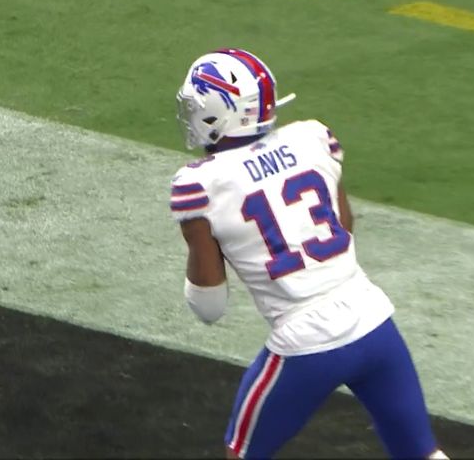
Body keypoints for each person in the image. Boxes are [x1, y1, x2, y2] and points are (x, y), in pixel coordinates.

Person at [170, 48, 448, 460]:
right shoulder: (313, 138)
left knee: (242, 454)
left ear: (220, 112)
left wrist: (209, 239)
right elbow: (344, 225)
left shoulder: (200, 185)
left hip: (305, 344)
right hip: (372, 321)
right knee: (421, 453)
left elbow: (208, 307)